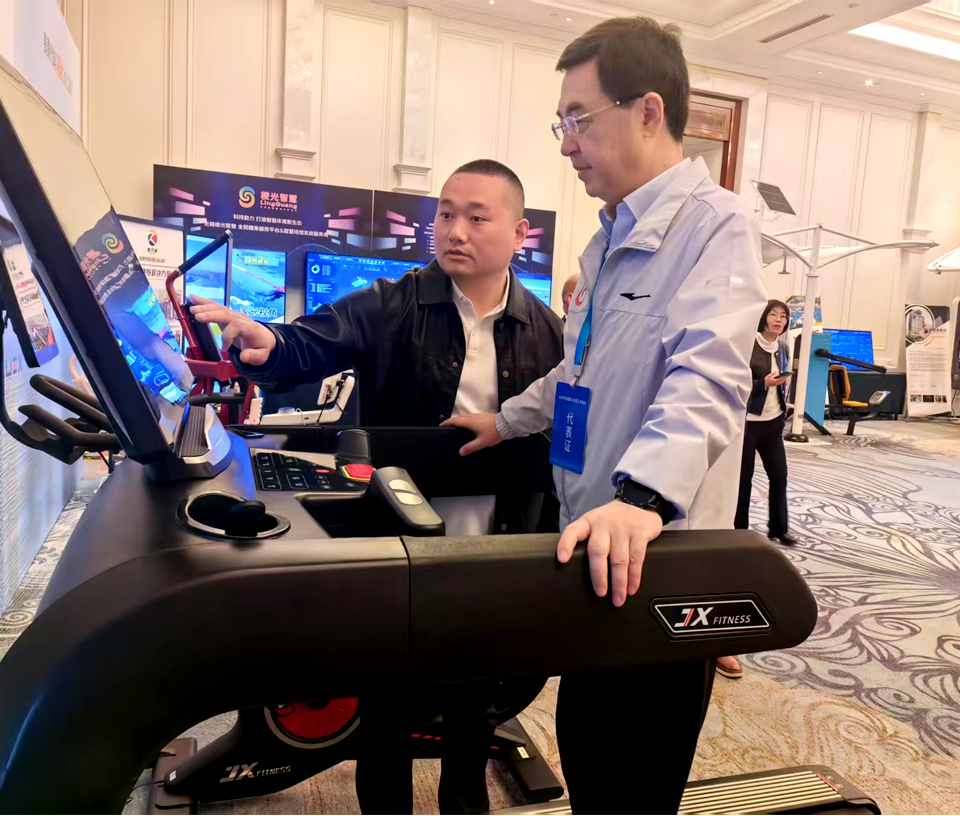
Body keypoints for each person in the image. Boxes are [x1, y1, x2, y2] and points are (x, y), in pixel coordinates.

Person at [443, 17, 767, 814]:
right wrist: (504, 420)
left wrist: (643, 497)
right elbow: (579, 373)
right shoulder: (609, 237)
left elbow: (708, 378)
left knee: (633, 780)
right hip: (594, 542)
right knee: (588, 748)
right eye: (561, 123)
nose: (566, 144)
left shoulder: (716, 225)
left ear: (648, 112)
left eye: (578, 119)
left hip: (656, 555)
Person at [190, 159, 564, 814]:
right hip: (398, 551)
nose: (455, 230)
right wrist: (267, 344)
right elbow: (308, 343)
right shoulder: (392, 303)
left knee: (472, 717)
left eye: (477, 217)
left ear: (519, 233)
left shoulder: (547, 328)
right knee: (387, 717)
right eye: (446, 214)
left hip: (495, 550)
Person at [735, 299, 796, 547]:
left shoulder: (783, 348)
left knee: (779, 475)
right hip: (748, 423)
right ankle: (738, 529)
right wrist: (764, 384)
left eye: (783, 316)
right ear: (763, 318)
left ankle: (779, 529)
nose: (779, 320)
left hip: (773, 422)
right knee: (743, 479)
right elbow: (736, 383)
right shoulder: (747, 346)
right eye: (773, 315)